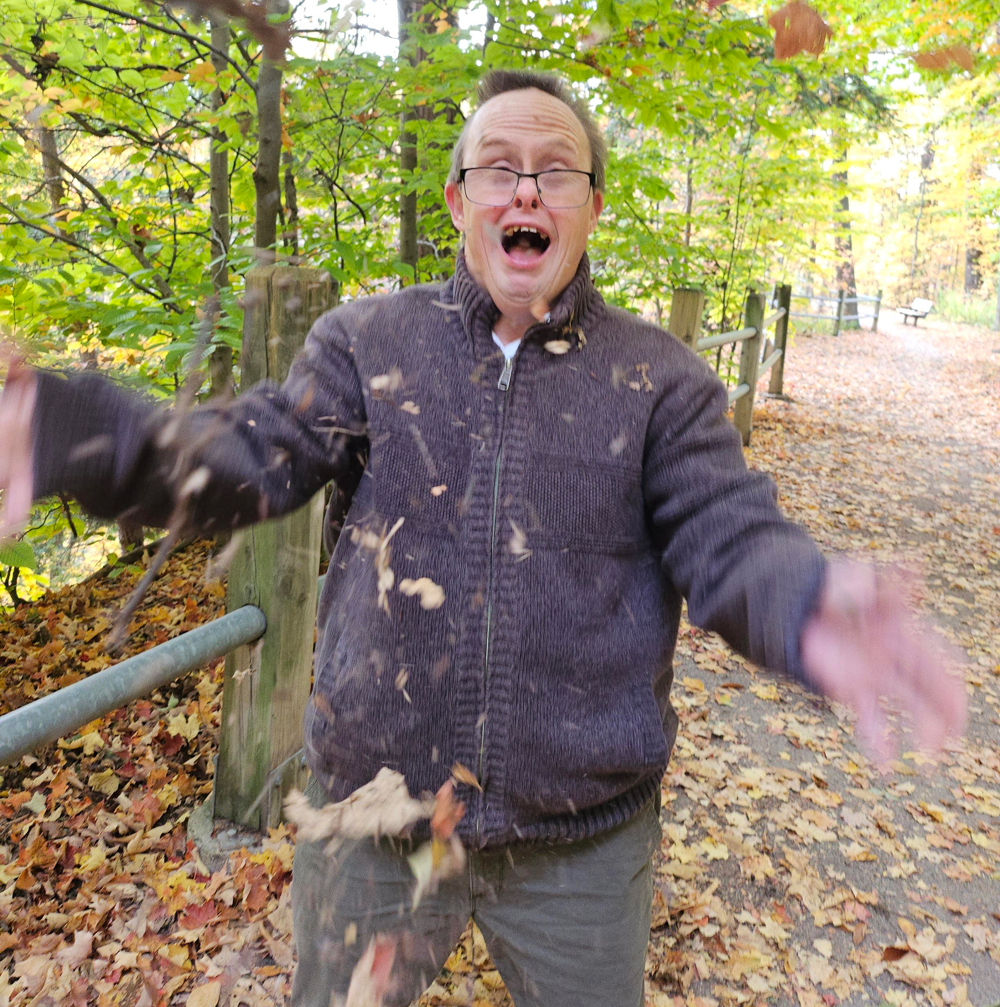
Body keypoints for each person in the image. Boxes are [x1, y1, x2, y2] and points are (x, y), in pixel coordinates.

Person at [0, 69, 965, 1007]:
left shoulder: (661, 380)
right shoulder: (366, 342)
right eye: (499, 167)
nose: (528, 187)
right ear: (462, 200)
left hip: (579, 844)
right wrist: (67, 427)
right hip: (374, 820)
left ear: (590, 208)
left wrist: (803, 602)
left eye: (558, 170)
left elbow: (729, 532)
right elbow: (248, 452)